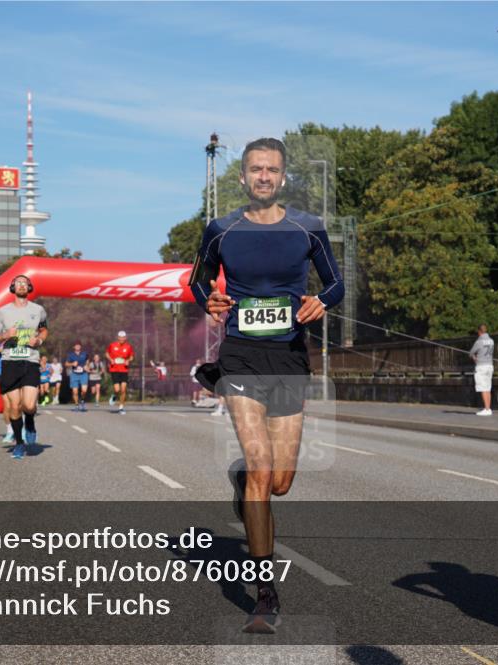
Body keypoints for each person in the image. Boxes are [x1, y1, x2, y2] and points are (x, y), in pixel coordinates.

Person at [190, 137, 344, 632]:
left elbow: (336, 283)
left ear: (282, 178)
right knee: (261, 470)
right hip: (239, 357)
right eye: (255, 169)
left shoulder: (308, 228)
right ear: (242, 177)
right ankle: (265, 593)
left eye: (271, 170)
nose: (263, 177)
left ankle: (243, 482)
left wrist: (324, 302)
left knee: (279, 481)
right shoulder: (221, 229)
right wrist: (208, 302)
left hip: (289, 358)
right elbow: (198, 280)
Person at [0, 274, 48, 460]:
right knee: (14, 406)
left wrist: (38, 340)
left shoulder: (38, 310)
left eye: (25, 283)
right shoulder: (3, 311)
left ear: (29, 288)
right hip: (9, 361)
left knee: (29, 405)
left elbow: (44, 330)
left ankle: (30, 422)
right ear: (13, 288)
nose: (22, 285)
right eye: (18, 283)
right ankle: (19, 444)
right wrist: (6, 334)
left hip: (30, 360)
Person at [106, 331, 134, 415]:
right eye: (120, 337)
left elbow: (131, 356)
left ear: (125, 338)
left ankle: (121, 407)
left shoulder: (128, 346)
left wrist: (128, 361)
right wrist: (110, 359)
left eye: (123, 337)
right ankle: (114, 395)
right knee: (117, 389)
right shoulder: (112, 345)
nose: (122, 339)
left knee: (123, 389)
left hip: (124, 370)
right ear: (118, 337)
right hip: (114, 370)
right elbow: (107, 353)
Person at [469, 324, 494, 416]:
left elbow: (471, 352)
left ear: (479, 331)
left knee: (483, 387)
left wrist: (474, 358)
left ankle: (486, 409)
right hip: (490, 365)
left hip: (481, 366)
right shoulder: (491, 341)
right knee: (488, 387)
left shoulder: (479, 341)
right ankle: (488, 408)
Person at [66, 342, 89, 412]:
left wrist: (87, 366)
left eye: (79, 345)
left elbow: (87, 360)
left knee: (84, 391)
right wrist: (72, 363)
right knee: (75, 392)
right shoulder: (71, 355)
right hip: (74, 374)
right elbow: (66, 364)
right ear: (74, 347)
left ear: (80, 346)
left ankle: (82, 400)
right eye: (76, 345)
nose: (78, 346)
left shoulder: (84, 354)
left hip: (83, 374)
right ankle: (76, 405)